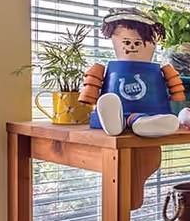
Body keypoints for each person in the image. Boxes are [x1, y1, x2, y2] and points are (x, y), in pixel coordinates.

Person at [78, 8, 184, 137]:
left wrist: (178, 100)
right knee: (111, 104)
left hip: (153, 113)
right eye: (127, 42)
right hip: (131, 110)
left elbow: (176, 88)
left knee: (144, 117)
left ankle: (135, 123)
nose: (132, 46)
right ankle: (120, 121)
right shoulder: (110, 69)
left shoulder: (157, 71)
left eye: (138, 42)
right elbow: (91, 88)